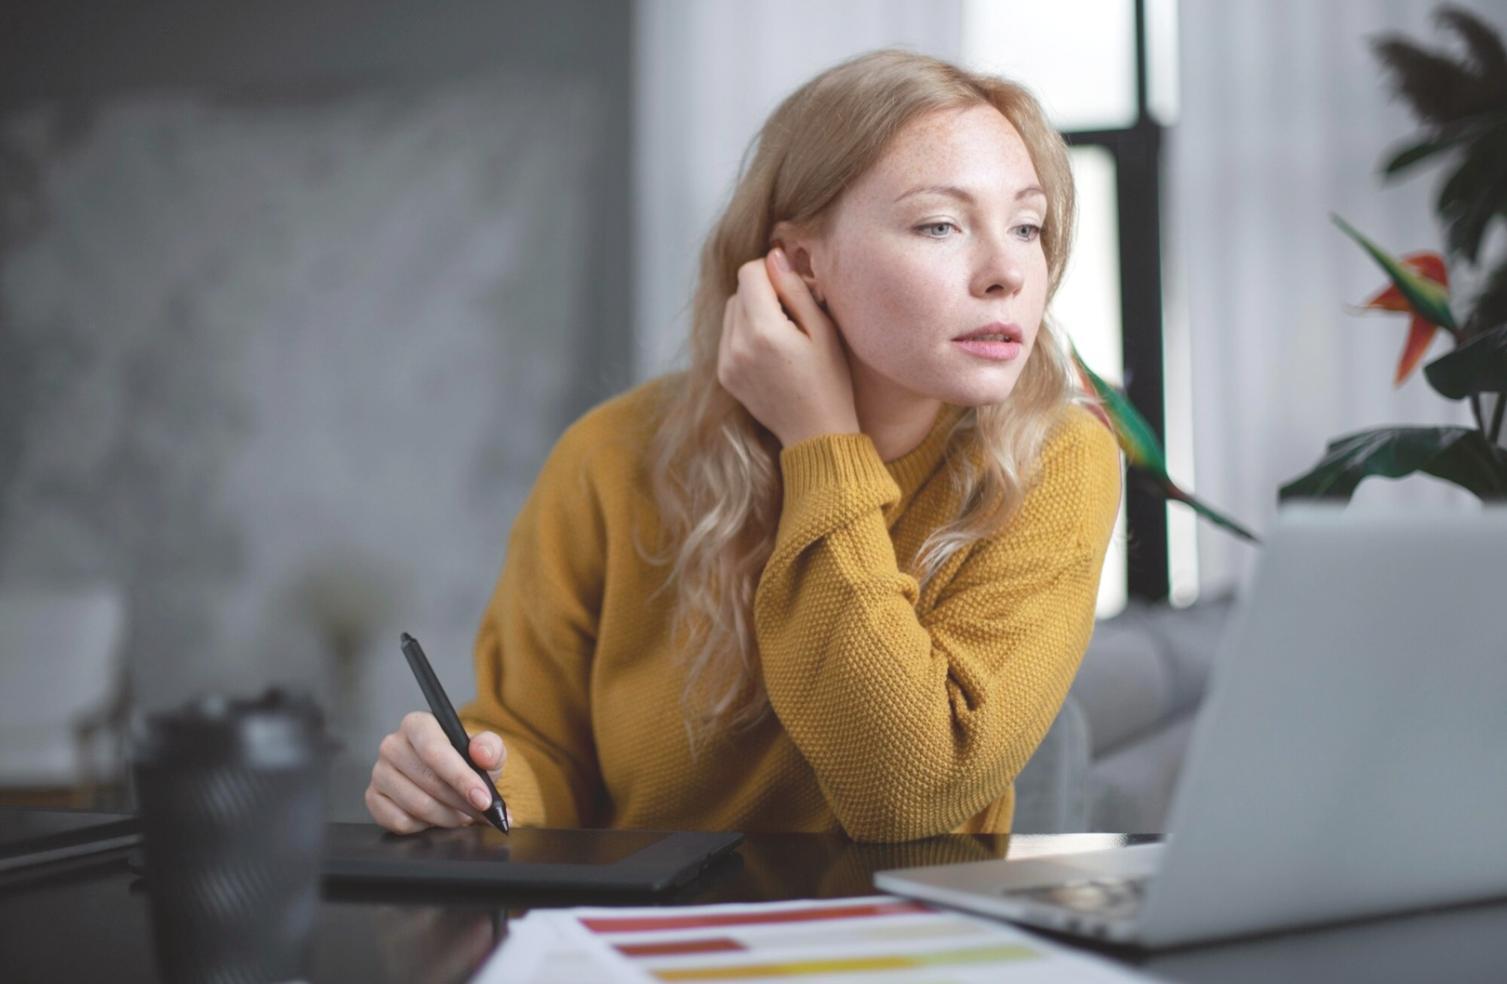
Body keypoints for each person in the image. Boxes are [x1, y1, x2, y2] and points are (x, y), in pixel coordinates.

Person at [366, 48, 1122, 843]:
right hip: (656, 946)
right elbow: (542, 751)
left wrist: (820, 442)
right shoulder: (608, 457)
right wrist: (469, 786)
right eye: (940, 224)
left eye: (1027, 226)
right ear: (799, 264)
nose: (1008, 271)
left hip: (911, 946)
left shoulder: (1055, 460)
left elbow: (906, 792)